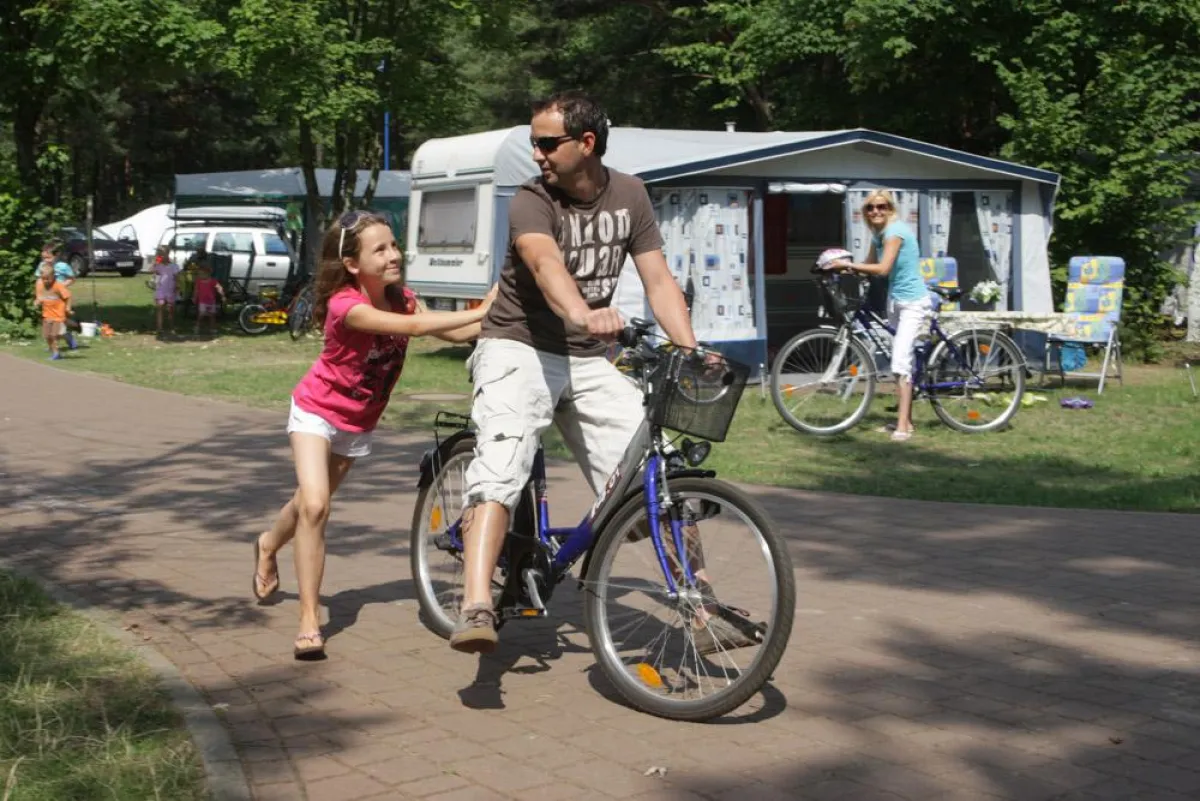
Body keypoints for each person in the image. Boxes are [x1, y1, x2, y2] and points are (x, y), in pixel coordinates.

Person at [449, 90, 751, 655]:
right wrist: (583, 312)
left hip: (586, 357)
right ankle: (475, 607)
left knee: (652, 482)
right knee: (501, 465)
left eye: (546, 142)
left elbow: (659, 280)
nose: (536, 153)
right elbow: (545, 265)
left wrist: (690, 348)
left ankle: (701, 605)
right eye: (532, 142)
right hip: (517, 347)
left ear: (586, 143)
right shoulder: (530, 200)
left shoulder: (630, 194)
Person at [252, 210, 496, 660]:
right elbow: (419, 328)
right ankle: (309, 621)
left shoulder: (402, 298)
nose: (393, 255)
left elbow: (459, 331)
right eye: (379, 249)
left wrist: (499, 309)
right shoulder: (348, 306)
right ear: (351, 263)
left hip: (358, 421)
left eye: (394, 245)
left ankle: (268, 543)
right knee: (317, 504)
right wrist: (483, 309)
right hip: (316, 412)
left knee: (308, 503)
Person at [843, 190, 931, 442]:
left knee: (900, 362)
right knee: (900, 360)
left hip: (913, 302)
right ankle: (906, 420)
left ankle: (903, 426)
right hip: (895, 300)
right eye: (870, 208)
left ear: (890, 209)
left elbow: (882, 268)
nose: (876, 211)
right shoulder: (878, 235)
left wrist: (848, 265)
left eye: (881, 206)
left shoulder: (895, 232)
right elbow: (868, 265)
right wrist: (843, 267)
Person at [34, 242, 78, 349]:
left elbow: (72, 279)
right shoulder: (42, 266)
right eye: (44, 258)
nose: (45, 260)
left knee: (58, 322)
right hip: (48, 298)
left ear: (57, 255)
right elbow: (39, 280)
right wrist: (39, 296)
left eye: (48, 258)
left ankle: (65, 338)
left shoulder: (62, 266)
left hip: (60, 298)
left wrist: (62, 285)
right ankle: (67, 334)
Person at [34, 263, 72, 360]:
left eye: (48, 278)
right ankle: (60, 343)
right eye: (44, 278)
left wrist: (68, 308)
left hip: (58, 315)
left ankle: (56, 354)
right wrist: (37, 301)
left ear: (54, 276)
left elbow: (68, 296)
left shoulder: (58, 286)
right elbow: (40, 297)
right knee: (47, 335)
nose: (46, 281)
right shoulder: (41, 285)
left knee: (54, 335)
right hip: (47, 315)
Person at [149, 245, 182, 336]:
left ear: (167, 254)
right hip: (161, 289)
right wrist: (155, 262)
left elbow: (177, 278)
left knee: (170, 309)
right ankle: (159, 328)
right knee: (160, 306)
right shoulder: (158, 265)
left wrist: (177, 287)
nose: (160, 256)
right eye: (158, 254)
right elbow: (151, 270)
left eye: (161, 254)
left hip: (170, 290)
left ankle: (171, 327)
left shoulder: (174, 266)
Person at [192, 262, 224, 335]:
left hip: (211, 301)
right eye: (199, 274)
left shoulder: (213, 281)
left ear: (208, 273)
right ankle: (197, 327)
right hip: (202, 301)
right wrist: (194, 297)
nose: (200, 275)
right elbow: (196, 290)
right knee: (201, 315)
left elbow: (218, 286)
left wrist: (221, 292)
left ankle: (212, 329)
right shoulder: (198, 281)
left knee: (212, 316)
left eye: (202, 274)